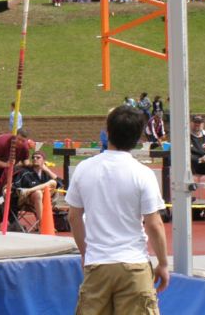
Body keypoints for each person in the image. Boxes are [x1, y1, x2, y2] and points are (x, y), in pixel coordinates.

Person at [67, 105, 169, 312]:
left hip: (98, 264)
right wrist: (163, 263)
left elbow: (74, 217)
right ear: (138, 137)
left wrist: (86, 253)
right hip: (133, 264)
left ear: (107, 132)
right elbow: (154, 224)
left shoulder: (84, 168)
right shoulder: (143, 174)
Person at [0, 129, 35, 231]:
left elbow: (26, 161)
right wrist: (7, 165)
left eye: (22, 141)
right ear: (14, 136)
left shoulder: (24, 147)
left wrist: (33, 165)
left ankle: (11, 220)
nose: (20, 143)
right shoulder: (1, 142)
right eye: (18, 139)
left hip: (8, 168)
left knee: (9, 191)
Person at [10, 151, 60, 229]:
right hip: (27, 200)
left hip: (46, 199)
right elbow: (16, 187)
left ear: (44, 161)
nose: (35, 159)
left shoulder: (46, 173)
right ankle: (43, 224)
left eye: (38, 157)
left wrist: (47, 170)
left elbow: (60, 184)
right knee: (38, 193)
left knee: (53, 182)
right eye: (33, 157)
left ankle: (31, 190)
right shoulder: (24, 172)